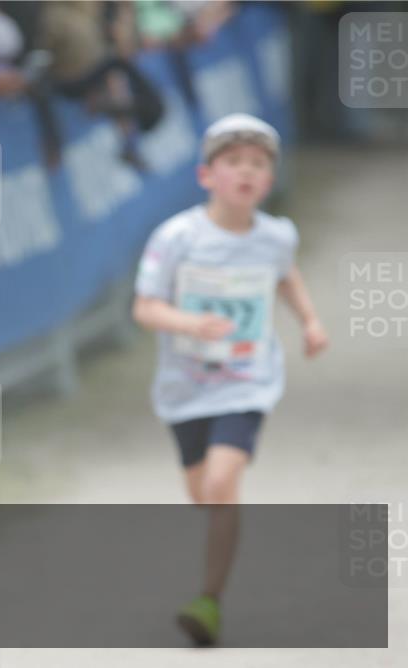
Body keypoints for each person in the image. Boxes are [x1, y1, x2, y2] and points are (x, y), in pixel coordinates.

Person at [133, 113, 329, 646]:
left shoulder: (276, 235)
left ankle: (208, 600)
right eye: (235, 162)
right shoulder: (176, 237)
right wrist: (190, 322)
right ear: (207, 175)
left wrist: (309, 321)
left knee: (222, 484)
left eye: (259, 164)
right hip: (184, 387)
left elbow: (284, 272)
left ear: (270, 180)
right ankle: (216, 553)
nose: (247, 172)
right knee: (204, 494)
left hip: (248, 382)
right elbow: (145, 307)